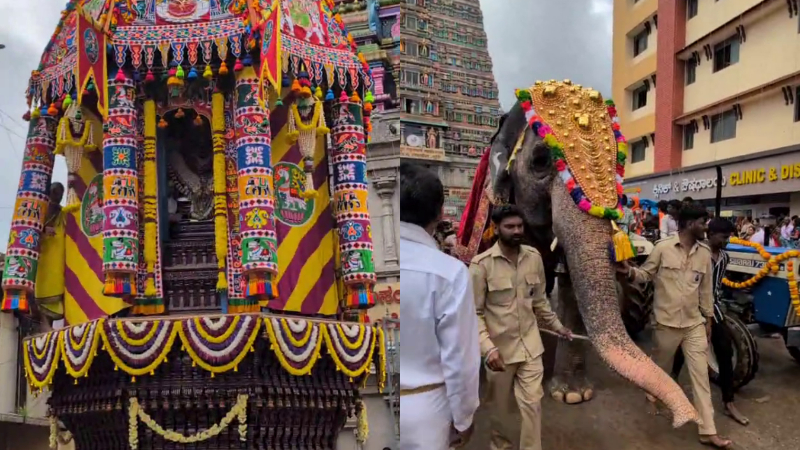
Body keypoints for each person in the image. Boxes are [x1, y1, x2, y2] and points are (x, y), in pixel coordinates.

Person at [617, 203, 732, 449]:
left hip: (694, 324)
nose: (706, 227)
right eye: (703, 222)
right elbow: (646, 275)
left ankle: (707, 431)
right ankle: (652, 389)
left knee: (700, 377)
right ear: (690, 224)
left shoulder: (703, 253)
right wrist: (628, 273)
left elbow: (705, 290)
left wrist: (708, 320)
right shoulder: (663, 249)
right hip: (666, 324)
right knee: (659, 368)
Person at [470, 205, 573, 450]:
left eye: (519, 226)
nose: (517, 231)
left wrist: (559, 327)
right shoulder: (481, 265)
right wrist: (488, 349)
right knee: (500, 412)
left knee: (533, 405)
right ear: (496, 229)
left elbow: (540, 302)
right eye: (510, 227)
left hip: (530, 347)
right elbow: (473, 313)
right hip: (499, 353)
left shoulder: (534, 257)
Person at [399, 163, 480, 450]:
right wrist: (464, 417)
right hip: (427, 411)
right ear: (440, 213)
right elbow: (461, 360)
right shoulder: (450, 273)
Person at [671, 219, 749, 427]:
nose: (727, 241)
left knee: (724, 353)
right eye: (724, 237)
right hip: (691, 311)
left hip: (713, 311)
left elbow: (715, 290)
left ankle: (728, 402)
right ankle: (669, 388)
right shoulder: (695, 254)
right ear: (711, 234)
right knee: (680, 350)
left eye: (729, 237)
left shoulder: (724, 257)